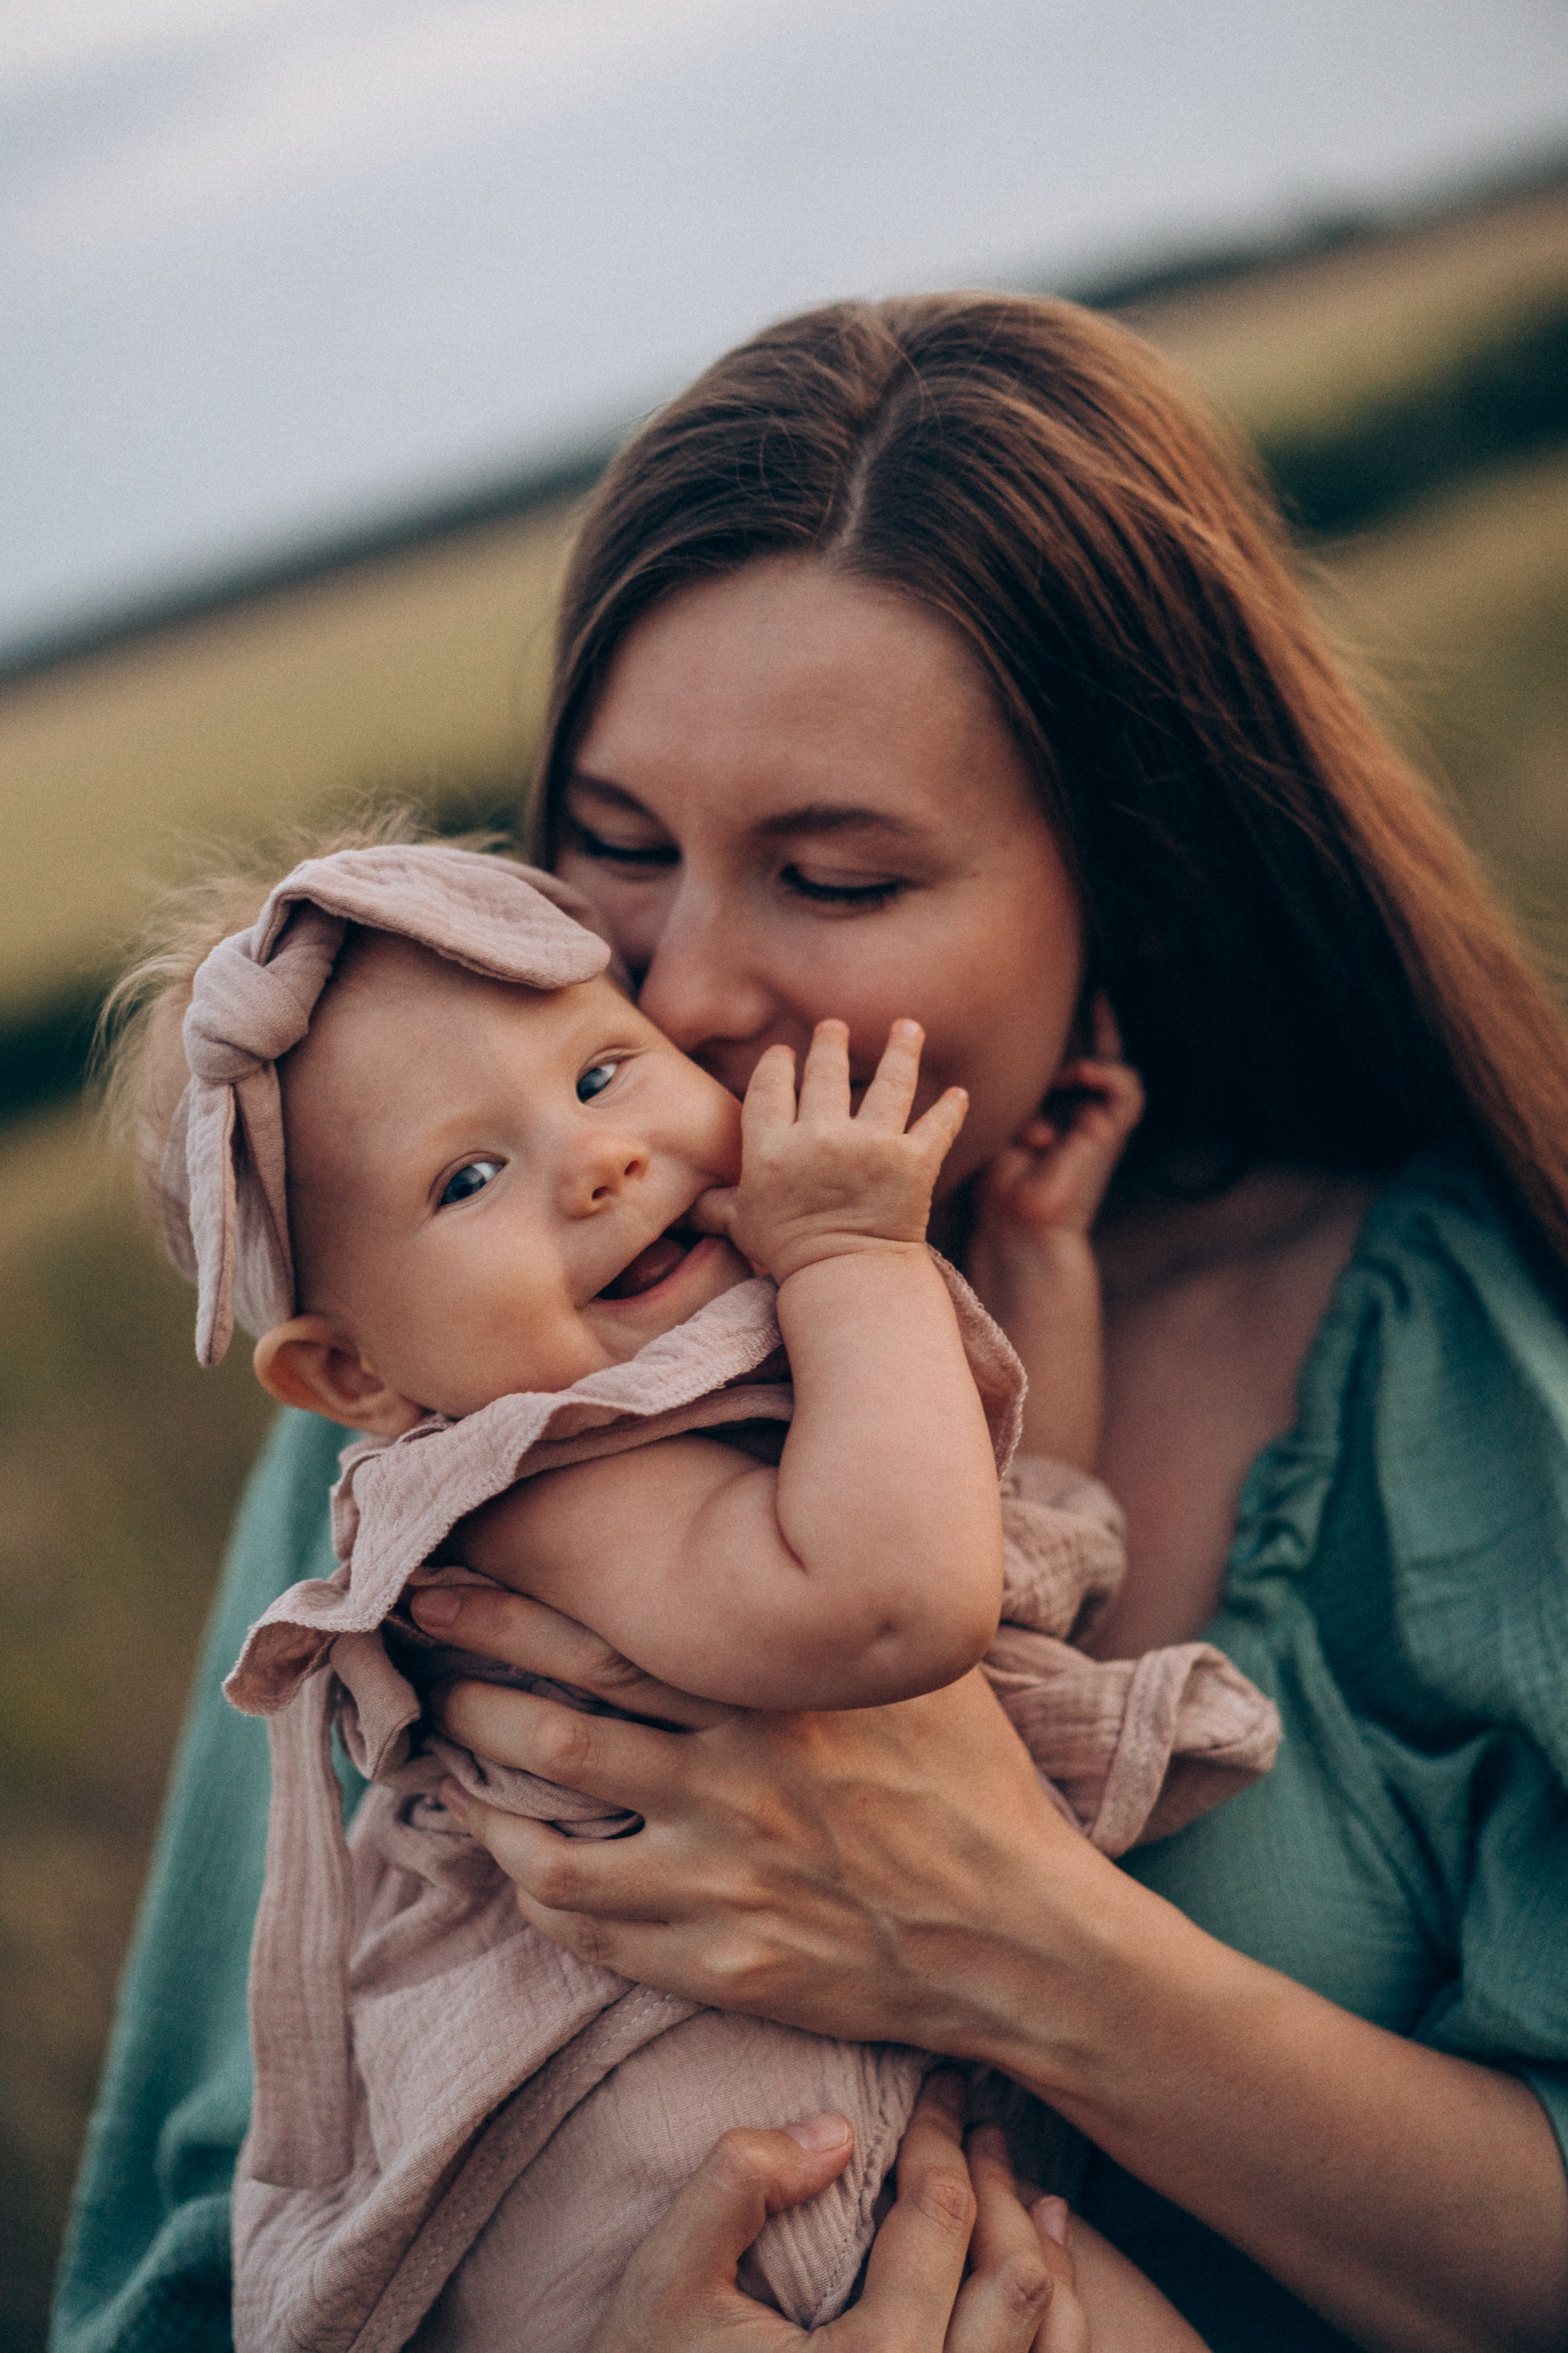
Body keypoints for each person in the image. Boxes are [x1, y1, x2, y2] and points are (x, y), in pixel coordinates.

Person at [53, 288, 1568, 2353]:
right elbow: (208, 2238)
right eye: (612, 851)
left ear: (1129, 883)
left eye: (836, 879)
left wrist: (1009, 1936)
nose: (681, 993)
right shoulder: (442, 1411)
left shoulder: (1448, 1362)